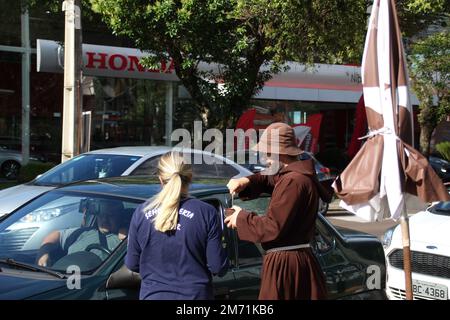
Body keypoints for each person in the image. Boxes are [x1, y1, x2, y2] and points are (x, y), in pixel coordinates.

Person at [224, 122, 331, 300]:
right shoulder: (294, 177)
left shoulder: (293, 182)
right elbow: (272, 178)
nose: (265, 159)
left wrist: (240, 218)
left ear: (280, 152)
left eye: (267, 153)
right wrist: (248, 181)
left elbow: (272, 227)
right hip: (294, 261)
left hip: (287, 265)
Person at [125, 151, 228, 300]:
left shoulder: (141, 213)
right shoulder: (207, 212)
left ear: (160, 179)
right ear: (190, 177)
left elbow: (132, 264)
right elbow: (218, 266)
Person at [37, 199, 128, 267]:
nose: (104, 220)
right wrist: (44, 252)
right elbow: (57, 234)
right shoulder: (83, 232)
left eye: (110, 216)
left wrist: (127, 240)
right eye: (101, 215)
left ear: (120, 217)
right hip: (61, 276)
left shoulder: (124, 240)